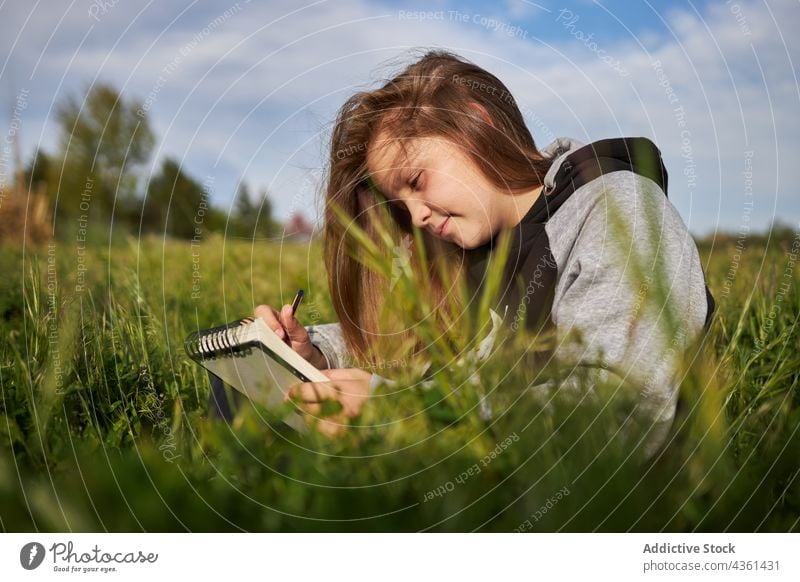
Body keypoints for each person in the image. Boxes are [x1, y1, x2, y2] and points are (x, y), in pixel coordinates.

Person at [248, 49, 714, 455]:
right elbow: (412, 345)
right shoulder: (472, 250)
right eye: (401, 207)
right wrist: (317, 352)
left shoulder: (614, 208)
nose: (417, 217)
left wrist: (404, 414)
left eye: (416, 181)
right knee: (248, 402)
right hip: (490, 490)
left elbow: (619, 413)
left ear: (476, 122)